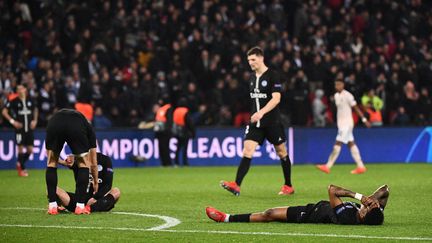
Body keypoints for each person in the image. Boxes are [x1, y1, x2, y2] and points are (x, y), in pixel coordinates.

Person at [220, 47, 294, 196]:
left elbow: (276, 99)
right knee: (247, 150)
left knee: (281, 152)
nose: (251, 63)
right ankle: (236, 185)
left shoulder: (273, 76)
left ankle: (288, 185)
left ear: (261, 58)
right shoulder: (252, 78)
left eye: (253, 60)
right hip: (256, 123)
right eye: (249, 60)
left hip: (272, 122)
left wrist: (261, 112)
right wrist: (256, 114)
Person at [206, 184, 389, 225]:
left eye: (369, 207)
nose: (371, 204)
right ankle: (227, 217)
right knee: (269, 213)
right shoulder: (371, 214)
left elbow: (332, 189)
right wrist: (372, 199)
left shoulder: (348, 217)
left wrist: (359, 196)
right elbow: (385, 191)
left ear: (364, 215)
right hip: (314, 206)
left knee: (269, 213)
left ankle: (225, 218)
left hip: (308, 214)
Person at [45, 108, 98, 215]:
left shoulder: (57, 118)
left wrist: (62, 162)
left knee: (51, 163)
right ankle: (80, 207)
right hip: (75, 125)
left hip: (54, 122)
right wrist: (95, 181)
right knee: (83, 164)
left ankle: (52, 206)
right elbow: (93, 163)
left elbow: (49, 157)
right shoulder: (89, 129)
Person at [316, 79, 371, 174]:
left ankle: (328, 166)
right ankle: (361, 166)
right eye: (336, 84)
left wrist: (364, 119)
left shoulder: (348, 95)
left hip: (347, 124)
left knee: (338, 143)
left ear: (343, 85)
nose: (337, 86)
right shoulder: (336, 96)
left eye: (339, 84)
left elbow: (356, 108)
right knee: (351, 143)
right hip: (341, 124)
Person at [56, 152, 120, 213]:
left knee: (116, 191)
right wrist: (55, 157)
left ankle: (89, 208)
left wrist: (95, 198)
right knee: (53, 189)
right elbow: (66, 163)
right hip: (79, 200)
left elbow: (108, 185)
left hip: (98, 200)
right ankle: (57, 206)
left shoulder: (104, 159)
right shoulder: (78, 159)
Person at [2, 84, 38, 177]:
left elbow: (35, 109)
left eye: (21, 88)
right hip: (19, 129)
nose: (19, 90)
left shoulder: (30, 100)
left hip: (29, 129)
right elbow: (4, 112)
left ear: (25, 89)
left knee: (30, 150)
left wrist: (35, 120)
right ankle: (22, 169)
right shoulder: (14, 101)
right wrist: (13, 122)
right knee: (20, 149)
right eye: (18, 89)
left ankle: (19, 163)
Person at [172, 98, 196, 166]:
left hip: (177, 131)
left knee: (178, 148)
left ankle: (176, 162)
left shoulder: (176, 110)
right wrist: (193, 132)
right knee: (185, 148)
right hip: (184, 131)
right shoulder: (185, 111)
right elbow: (189, 122)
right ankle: (185, 162)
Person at [154, 98, 173, 166]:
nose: (160, 101)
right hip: (159, 132)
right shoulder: (160, 109)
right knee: (161, 148)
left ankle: (168, 163)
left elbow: (169, 120)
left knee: (165, 147)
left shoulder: (168, 108)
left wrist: (167, 130)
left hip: (165, 132)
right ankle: (164, 163)